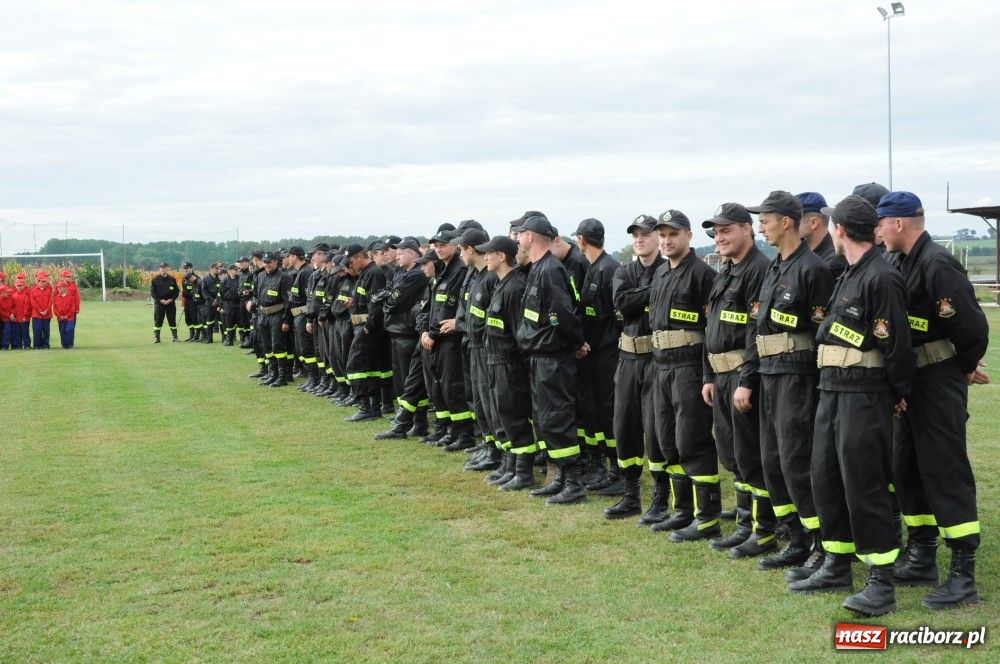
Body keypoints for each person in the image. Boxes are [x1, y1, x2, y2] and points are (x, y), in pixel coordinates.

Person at [789, 195, 915, 618]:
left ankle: (881, 581)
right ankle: (836, 563)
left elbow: (896, 346)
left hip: (864, 394)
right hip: (833, 390)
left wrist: (896, 393)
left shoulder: (880, 278)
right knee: (826, 478)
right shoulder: (850, 273)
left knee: (865, 483)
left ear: (840, 230)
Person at [877, 191, 989, 609]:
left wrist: (960, 367)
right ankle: (922, 554)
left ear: (900, 223)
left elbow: (973, 330)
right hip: (912, 382)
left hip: (939, 380)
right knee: (907, 468)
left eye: (882, 224)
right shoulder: (898, 261)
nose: (878, 232)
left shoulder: (937, 264)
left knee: (945, 470)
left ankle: (963, 574)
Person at [748, 191, 834, 572]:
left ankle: (820, 544)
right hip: (768, 374)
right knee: (773, 460)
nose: (759, 226)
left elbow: (822, 333)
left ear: (786, 222)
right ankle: (795, 538)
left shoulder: (813, 269)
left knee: (798, 461)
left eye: (764, 220)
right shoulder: (773, 267)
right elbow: (757, 327)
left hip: (797, 376)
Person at [700, 203, 774, 558]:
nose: (720, 237)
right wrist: (708, 375)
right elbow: (711, 327)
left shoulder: (758, 270)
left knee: (751, 455)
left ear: (748, 230)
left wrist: (746, 380)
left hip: (743, 376)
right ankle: (745, 524)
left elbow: (755, 333)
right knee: (731, 452)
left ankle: (763, 530)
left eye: (726, 230)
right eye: (715, 232)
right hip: (721, 375)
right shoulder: (726, 271)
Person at [645, 209, 719, 542]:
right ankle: (682, 511)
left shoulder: (702, 274)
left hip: (689, 366)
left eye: (672, 234)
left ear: (688, 236)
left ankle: (706, 519)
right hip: (661, 365)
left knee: (693, 440)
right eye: (662, 235)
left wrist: (707, 374)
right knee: (667, 440)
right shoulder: (660, 273)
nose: (666, 241)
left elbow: (711, 330)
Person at [516, 213, 589, 506]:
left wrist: (575, 343)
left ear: (531, 236)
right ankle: (560, 477)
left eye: (520, 233)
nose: (517, 238)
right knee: (546, 420)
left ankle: (574, 483)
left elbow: (563, 314)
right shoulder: (537, 268)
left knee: (557, 418)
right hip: (540, 357)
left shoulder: (550, 270)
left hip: (554, 358)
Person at [606, 215, 664, 516]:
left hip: (656, 358)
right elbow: (623, 304)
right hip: (628, 357)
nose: (639, 240)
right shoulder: (624, 270)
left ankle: (661, 496)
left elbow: (637, 301)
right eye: (635, 236)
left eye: (645, 234)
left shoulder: (668, 270)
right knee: (625, 426)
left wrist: (640, 296)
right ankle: (630, 494)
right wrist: (653, 292)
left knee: (656, 429)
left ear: (658, 238)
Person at [479, 235, 538, 489]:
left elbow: (520, 333)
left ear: (502, 256)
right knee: (502, 414)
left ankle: (524, 473)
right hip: (495, 359)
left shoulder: (515, 287)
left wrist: (516, 366)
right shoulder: (501, 284)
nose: (485, 257)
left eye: (489, 253)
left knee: (514, 415)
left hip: (509, 362)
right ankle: (511, 465)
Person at [573, 219, 621, 491]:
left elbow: (617, 318)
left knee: (609, 411)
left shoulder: (609, 268)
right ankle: (600, 466)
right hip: (592, 354)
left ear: (581, 239)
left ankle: (617, 470)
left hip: (608, 354)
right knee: (595, 412)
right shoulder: (592, 267)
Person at [375, 238, 432, 439]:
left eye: (400, 252)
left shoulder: (416, 275)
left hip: (407, 333)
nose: (396, 255)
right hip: (396, 331)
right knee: (402, 382)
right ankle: (414, 422)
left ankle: (416, 422)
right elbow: (386, 295)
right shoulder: (401, 272)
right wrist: (387, 299)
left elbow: (393, 303)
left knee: (411, 382)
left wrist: (387, 300)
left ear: (413, 254)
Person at [420, 226, 471, 445]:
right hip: (435, 338)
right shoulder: (443, 269)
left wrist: (432, 333)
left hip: (449, 339)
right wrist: (425, 331)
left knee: (453, 387)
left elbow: (449, 309)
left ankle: (464, 434)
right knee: (439, 386)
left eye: (443, 245)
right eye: (436, 246)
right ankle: (447, 430)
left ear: (455, 245)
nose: (439, 249)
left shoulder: (459, 270)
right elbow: (430, 306)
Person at [343, 243, 390, 421]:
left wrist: (368, 326)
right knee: (370, 368)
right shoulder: (365, 274)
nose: (350, 264)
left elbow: (377, 303)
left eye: (352, 260)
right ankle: (374, 408)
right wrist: (353, 302)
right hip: (363, 327)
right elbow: (366, 299)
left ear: (361, 257)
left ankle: (364, 408)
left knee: (354, 366)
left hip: (369, 329)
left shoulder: (374, 273)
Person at [255, 251, 294, 387]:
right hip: (263, 316)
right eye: (265, 262)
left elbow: (289, 302)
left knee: (278, 346)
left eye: (269, 262)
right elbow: (257, 295)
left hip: (277, 316)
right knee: (267, 346)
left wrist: (286, 320)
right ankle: (273, 374)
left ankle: (283, 376)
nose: (266, 265)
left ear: (276, 262)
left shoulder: (284, 278)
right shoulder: (260, 276)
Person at [797, 192, 847, 278]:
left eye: (796, 220)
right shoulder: (800, 254)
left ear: (813, 223)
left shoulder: (834, 262)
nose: (789, 225)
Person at [150, 262, 180, 343]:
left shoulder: (172, 279)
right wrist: (160, 300)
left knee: (172, 320)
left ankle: (175, 337)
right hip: (159, 303)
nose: (162, 269)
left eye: (164, 267)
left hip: (170, 303)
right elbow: (153, 293)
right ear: (159, 269)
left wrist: (171, 299)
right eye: (161, 267)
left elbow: (177, 291)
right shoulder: (155, 280)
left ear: (168, 268)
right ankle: (157, 338)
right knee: (158, 320)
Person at [29, 270, 54, 349]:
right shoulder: (33, 291)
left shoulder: (49, 290)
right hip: (37, 315)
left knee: (46, 331)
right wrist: (40, 310)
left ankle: (46, 345)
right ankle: (37, 345)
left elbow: (50, 302)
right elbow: (33, 303)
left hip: (47, 314)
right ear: (38, 282)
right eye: (41, 281)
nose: (43, 283)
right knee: (37, 331)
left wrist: (46, 310)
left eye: (44, 281)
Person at [200, 262, 222, 343]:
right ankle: (209, 338)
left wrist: (217, 299)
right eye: (216, 268)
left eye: (218, 269)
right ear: (211, 269)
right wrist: (212, 300)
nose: (218, 270)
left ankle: (224, 338)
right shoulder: (205, 279)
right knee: (209, 320)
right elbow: (204, 291)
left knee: (221, 320)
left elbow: (222, 290)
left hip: (219, 302)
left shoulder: (220, 279)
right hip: (209, 302)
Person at [221, 264, 243, 346]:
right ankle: (230, 340)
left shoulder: (240, 279)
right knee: (229, 323)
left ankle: (242, 339)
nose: (237, 271)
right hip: (229, 304)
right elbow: (222, 294)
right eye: (235, 269)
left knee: (240, 323)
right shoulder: (224, 281)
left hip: (238, 304)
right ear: (230, 270)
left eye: (237, 269)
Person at [9, 273, 31, 349]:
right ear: (16, 286)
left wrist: (25, 316)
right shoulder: (14, 295)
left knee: (25, 332)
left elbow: (26, 306)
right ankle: (18, 346)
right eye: (18, 286)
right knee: (18, 333)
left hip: (24, 318)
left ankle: (27, 345)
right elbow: (13, 307)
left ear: (23, 286)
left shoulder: (26, 295)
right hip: (17, 318)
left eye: (20, 285)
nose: (19, 287)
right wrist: (12, 314)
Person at [53, 281, 77, 348]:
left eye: (60, 288)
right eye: (58, 288)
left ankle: (70, 344)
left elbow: (72, 308)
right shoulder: (56, 298)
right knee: (62, 330)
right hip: (60, 318)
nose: (59, 289)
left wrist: (67, 316)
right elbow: (55, 309)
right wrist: (59, 316)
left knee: (69, 329)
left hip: (69, 317)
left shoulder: (71, 297)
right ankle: (64, 344)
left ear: (65, 288)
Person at [0, 273, 12, 349]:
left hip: (6, 318)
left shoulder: (9, 296)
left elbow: (13, 306)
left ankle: (5, 346)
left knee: (7, 331)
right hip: (3, 317)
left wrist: (11, 314)